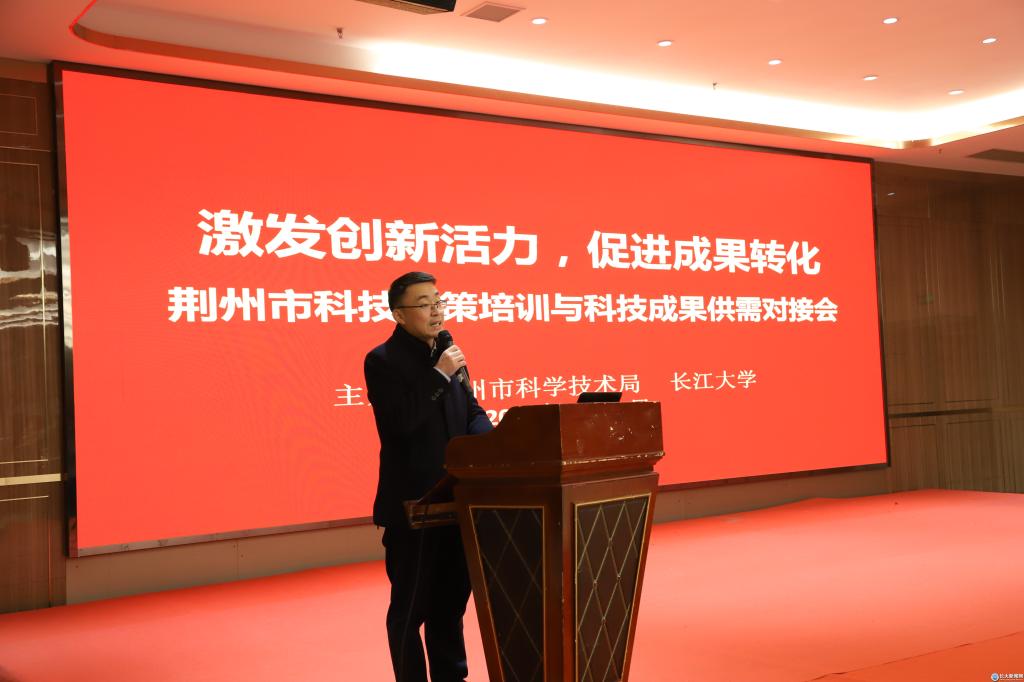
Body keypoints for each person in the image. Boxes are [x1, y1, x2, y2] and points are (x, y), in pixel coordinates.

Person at [364, 271, 493, 682]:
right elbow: (401, 423)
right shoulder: (382, 361)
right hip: (414, 507)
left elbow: (472, 412)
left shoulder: (448, 353)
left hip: (456, 501)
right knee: (409, 611)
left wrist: (495, 444)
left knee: (450, 606)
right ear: (399, 315)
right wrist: (438, 374)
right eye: (424, 304)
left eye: (438, 301)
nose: (436, 310)